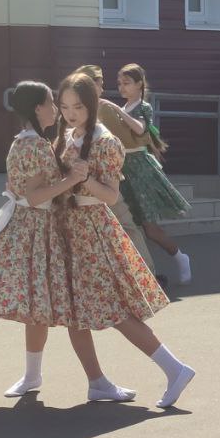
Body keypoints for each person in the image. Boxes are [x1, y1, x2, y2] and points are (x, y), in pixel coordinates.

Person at [0, 81, 134, 406]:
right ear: (38, 108)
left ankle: (26, 376)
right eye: (52, 104)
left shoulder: (22, 141)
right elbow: (35, 196)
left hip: (18, 228)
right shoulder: (38, 145)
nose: (57, 110)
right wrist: (72, 179)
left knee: (31, 308)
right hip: (29, 230)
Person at [32, 74, 196, 409]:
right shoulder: (66, 136)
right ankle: (97, 383)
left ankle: (174, 368)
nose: (70, 113)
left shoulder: (105, 141)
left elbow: (110, 195)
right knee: (73, 312)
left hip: (92, 232)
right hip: (68, 231)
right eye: (65, 106)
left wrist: (82, 179)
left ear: (92, 105)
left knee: (115, 309)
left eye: (78, 107)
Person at [72, 66, 160, 279]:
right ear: (91, 85)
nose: (103, 89)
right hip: (103, 180)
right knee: (128, 227)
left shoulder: (72, 108)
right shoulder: (101, 108)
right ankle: (148, 277)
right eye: (100, 84)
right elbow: (126, 139)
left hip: (81, 184)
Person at [113, 64, 194, 284]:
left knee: (150, 229)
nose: (121, 87)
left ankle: (180, 257)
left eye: (126, 83)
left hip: (140, 171)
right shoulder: (123, 107)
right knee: (128, 226)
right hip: (121, 169)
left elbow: (140, 129)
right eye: (119, 83)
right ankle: (141, 274)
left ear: (139, 84)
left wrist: (117, 111)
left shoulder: (143, 107)